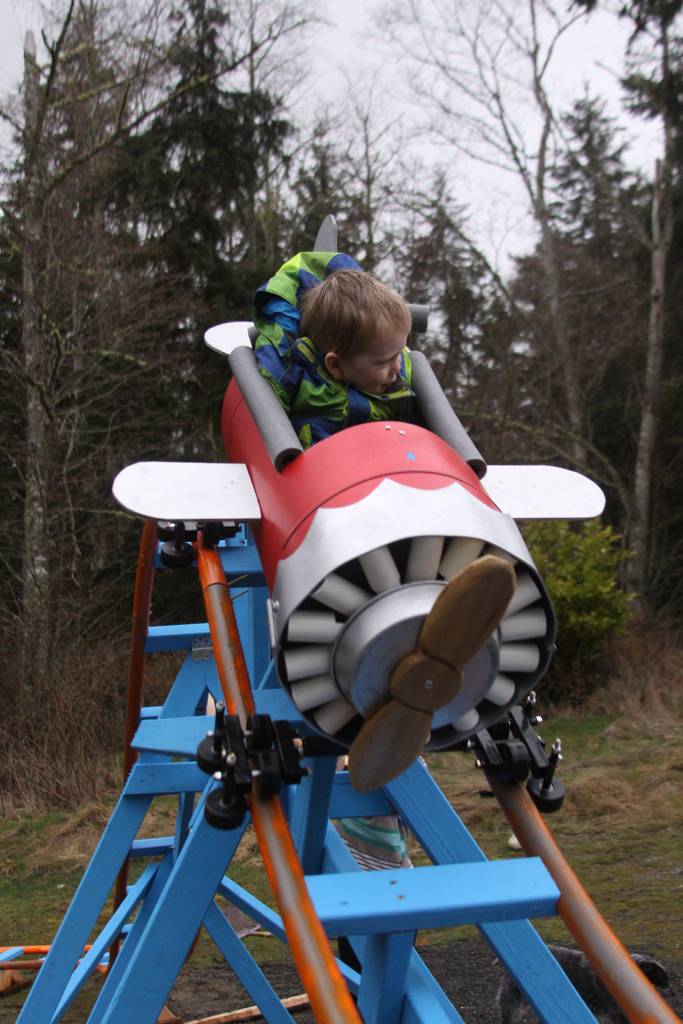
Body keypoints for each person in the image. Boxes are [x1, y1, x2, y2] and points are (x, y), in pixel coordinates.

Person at [253, 251, 415, 448]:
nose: (397, 367)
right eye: (383, 363)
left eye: (398, 354)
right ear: (336, 365)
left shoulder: (393, 374)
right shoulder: (313, 404)